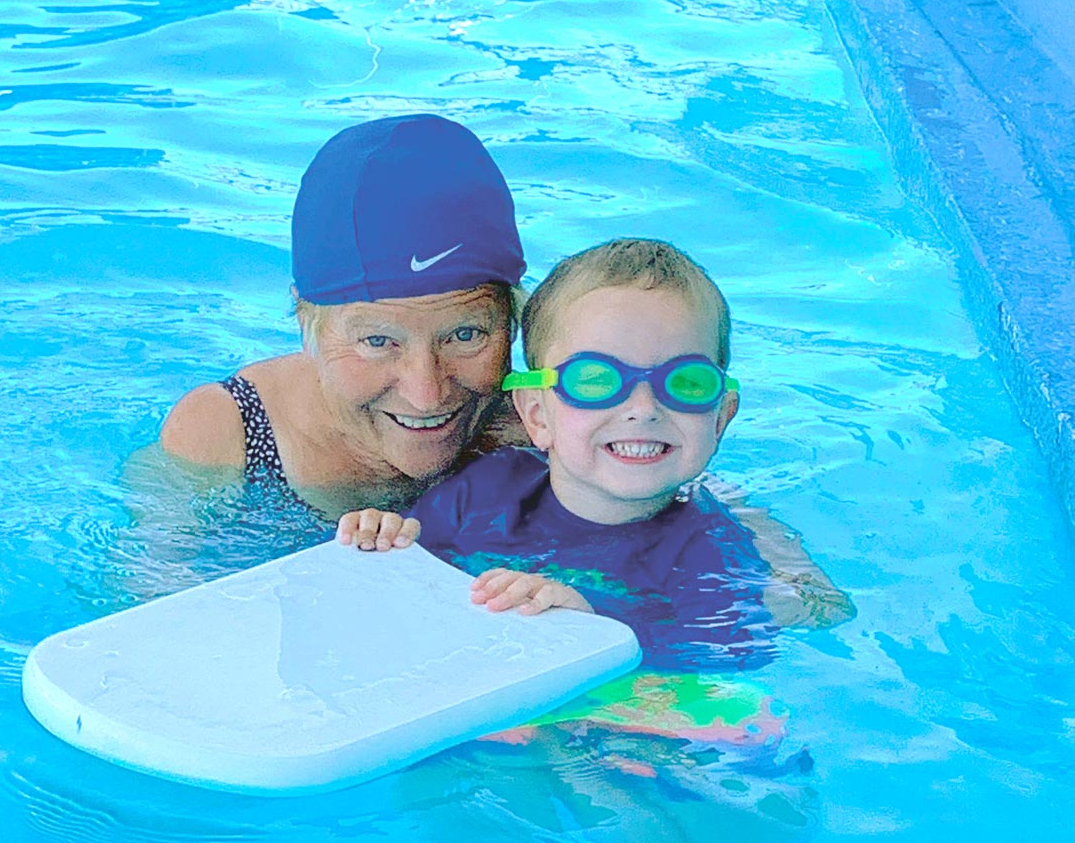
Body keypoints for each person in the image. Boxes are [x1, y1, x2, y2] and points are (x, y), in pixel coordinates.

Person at [338, 237, 823, 666]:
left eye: (686, 383)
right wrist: (385, 536)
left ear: (720, 417)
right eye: (595, 381)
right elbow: (412, 575)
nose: (643, 409)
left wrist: (593, 622)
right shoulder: (485, 491)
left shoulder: (710, 547)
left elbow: (735, 647)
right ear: (537, 415)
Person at [159, 113, 529, 519]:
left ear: (511, 321)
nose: (427, 394)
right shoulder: (225, 438)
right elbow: (158, 581)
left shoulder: (550, 427)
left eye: (465, 335)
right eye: (377, 342)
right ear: (307, 325)